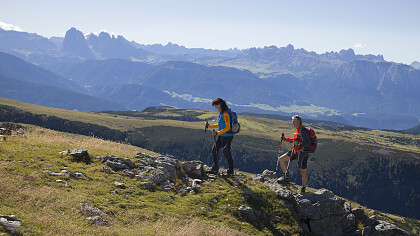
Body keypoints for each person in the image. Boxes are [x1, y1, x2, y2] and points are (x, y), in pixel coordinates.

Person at [278, 115, 310, 193]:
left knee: (303, 172)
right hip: (295, 151)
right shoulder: (297, 130)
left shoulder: (303, 130)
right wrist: (285, 139)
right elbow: (294, 140)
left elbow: (307, 142)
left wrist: (298, 143)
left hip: (302, 153)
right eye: (292, 121)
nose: (293, 123)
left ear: (299, 122)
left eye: (294, 121)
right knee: (281, 159)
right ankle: (286, 177)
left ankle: (303, 188)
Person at [205, 98, 234, 176]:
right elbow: (220, 125)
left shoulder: (225, 114)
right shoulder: (222, 113)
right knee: (214, 149)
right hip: (222, 135)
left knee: (226, 152)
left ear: (220, 104)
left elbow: (228, 127)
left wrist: (218, 133)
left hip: (227, 136)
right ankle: (215, 168)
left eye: (216, 105)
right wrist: (210, 126)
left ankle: (230, 171)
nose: (215, 107)